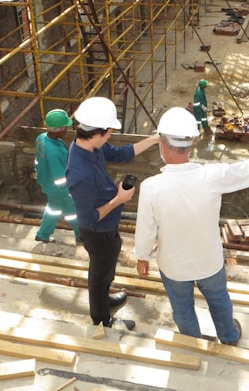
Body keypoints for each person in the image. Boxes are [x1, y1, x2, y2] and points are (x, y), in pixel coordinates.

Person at [134, 107, 249, 346]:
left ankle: (191, 343)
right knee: (219, 300)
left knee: (182, 308)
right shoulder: (211, 176)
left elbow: (145, 228)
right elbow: (244, 171)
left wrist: (142, 257)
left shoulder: (151, 187)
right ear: (192, 144)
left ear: (162, 145)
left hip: (174, 266)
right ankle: (229, 337)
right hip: (209, 261)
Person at [65, 96, 159, 330]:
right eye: (108, 132)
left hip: (107, 228)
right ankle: (101, 318)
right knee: (99, 273)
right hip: (97, 231)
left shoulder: (89, 145)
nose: (110, 137)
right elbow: (87, 218)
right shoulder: (80, 173)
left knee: (105, 269)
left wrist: (153, 140)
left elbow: (120, 154)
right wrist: (119, 200)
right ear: (96, 133)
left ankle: (105, 299)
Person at [34, 109, 80, 244]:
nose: (67, 129)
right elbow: (59, 176)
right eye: (65, 127)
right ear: (57, 130)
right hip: (59, 188)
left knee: (53, 209)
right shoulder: (53, 151)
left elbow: (38, 160)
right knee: (73, 212)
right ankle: (82, 235)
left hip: (48, 183)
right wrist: (68, 191)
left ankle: (42, 234)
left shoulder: (42, 138)